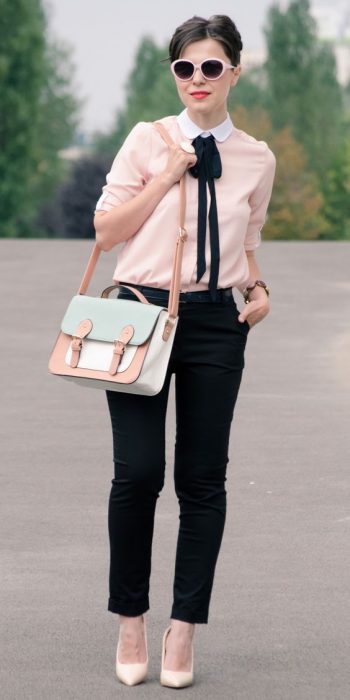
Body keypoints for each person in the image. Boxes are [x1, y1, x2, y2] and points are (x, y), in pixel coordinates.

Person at [94, 14, 276, 689]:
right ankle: (131, 619)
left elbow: (247, 242)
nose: (197, 80)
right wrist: (166, 175)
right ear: (174, 74)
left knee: (203, 481)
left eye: (211, 66)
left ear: (235, 69)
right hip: (139, 314)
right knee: (137, 473)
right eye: (184, 68)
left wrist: (258, 289)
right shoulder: (148, 140)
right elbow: (107, 230)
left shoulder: (257, 157)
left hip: (216, 324)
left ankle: (183, 630)